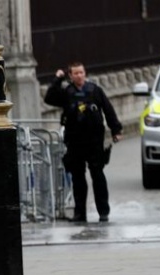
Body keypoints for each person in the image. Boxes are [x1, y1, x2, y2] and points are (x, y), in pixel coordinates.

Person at [44, 62, 123, 222]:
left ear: (85, 73)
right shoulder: (67, 92)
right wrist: (57, 79)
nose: (79, 75)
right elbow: (49, 98)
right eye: (76, 73)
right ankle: (80, 213)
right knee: (78, 178)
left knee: (98, 175)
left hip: (94, 141)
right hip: (74, 141)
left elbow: (108, 110)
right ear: (71, 76)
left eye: (81, 72)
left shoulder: (94, 91)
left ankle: (103, 212)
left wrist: (116, 130)